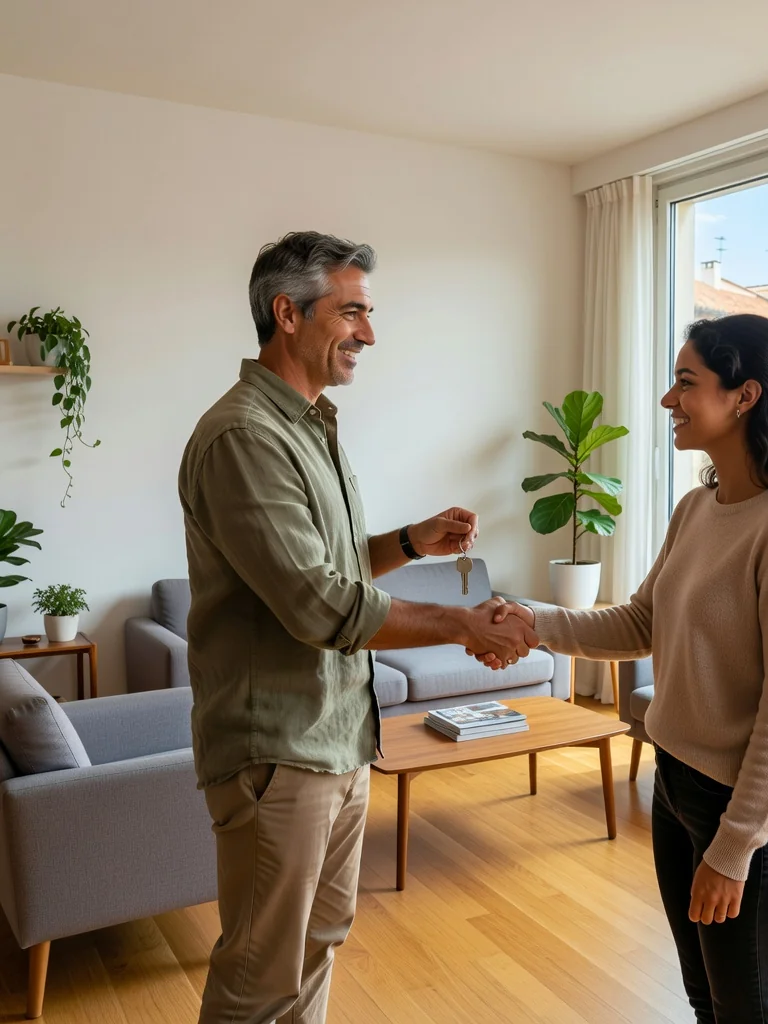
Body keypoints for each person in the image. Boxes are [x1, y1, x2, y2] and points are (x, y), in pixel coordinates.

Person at [179, 231, 537, 1024]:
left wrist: (410, 542)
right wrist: (460, 622)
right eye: (353, 313)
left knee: (317, 944)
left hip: (340, 738)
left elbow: (331, 570)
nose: (369, 334)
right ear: (287, 313)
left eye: (369, 314)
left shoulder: (311, 425)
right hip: (279, 749)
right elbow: (317, 605)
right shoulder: (246, 436)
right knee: (260, 977)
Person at [489, 313, 768, 1022]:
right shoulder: (697, 508)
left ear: (744, 396)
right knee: (702, 999)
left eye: (686, 382)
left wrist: (734, 847)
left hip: (749, 815)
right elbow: (641, 622)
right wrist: (537, 624)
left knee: (748, 1011)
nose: (667, 400)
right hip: (676, 784)